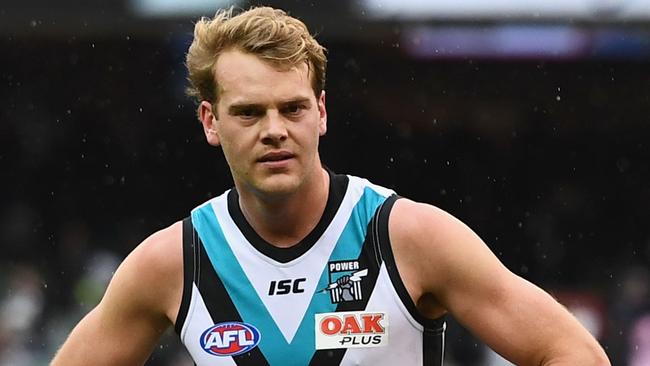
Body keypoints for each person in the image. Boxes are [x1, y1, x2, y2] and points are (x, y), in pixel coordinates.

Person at [51, 6, 611, 366]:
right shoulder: (173, 261)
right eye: (248, 112)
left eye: (292, 108)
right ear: (209, 122)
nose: (275, 130)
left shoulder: (410, 236)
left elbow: (574, 354)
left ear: (321, 112)